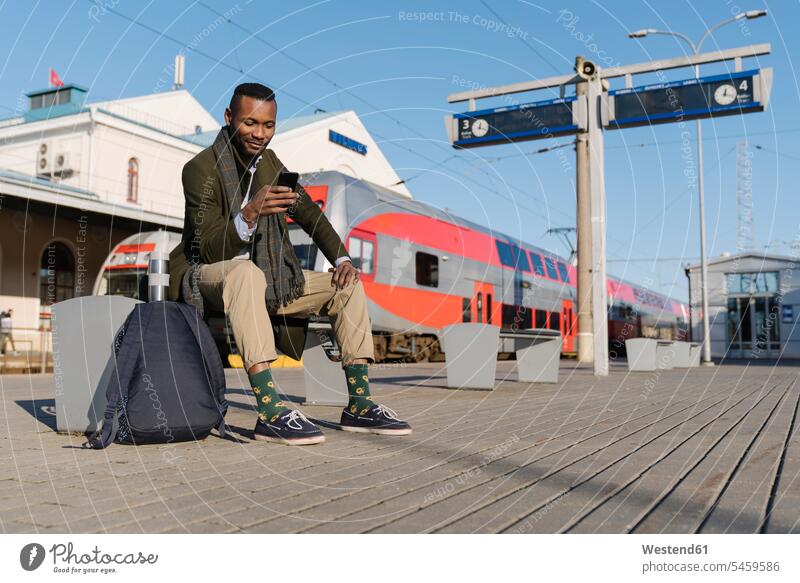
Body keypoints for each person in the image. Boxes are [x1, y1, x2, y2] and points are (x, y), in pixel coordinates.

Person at [169, 83, 411, 445]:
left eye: (268, 125)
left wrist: (342, 259)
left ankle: (360, 405)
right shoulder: (200, 169)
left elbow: (309, 213)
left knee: (345, 285)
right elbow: (205, 249)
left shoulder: (270, 164)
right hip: (205, 278)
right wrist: (248, 214)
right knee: (245, 273)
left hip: (267, 282)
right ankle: (269, 410)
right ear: (229, 117)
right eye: (250, 123)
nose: (260, 134)